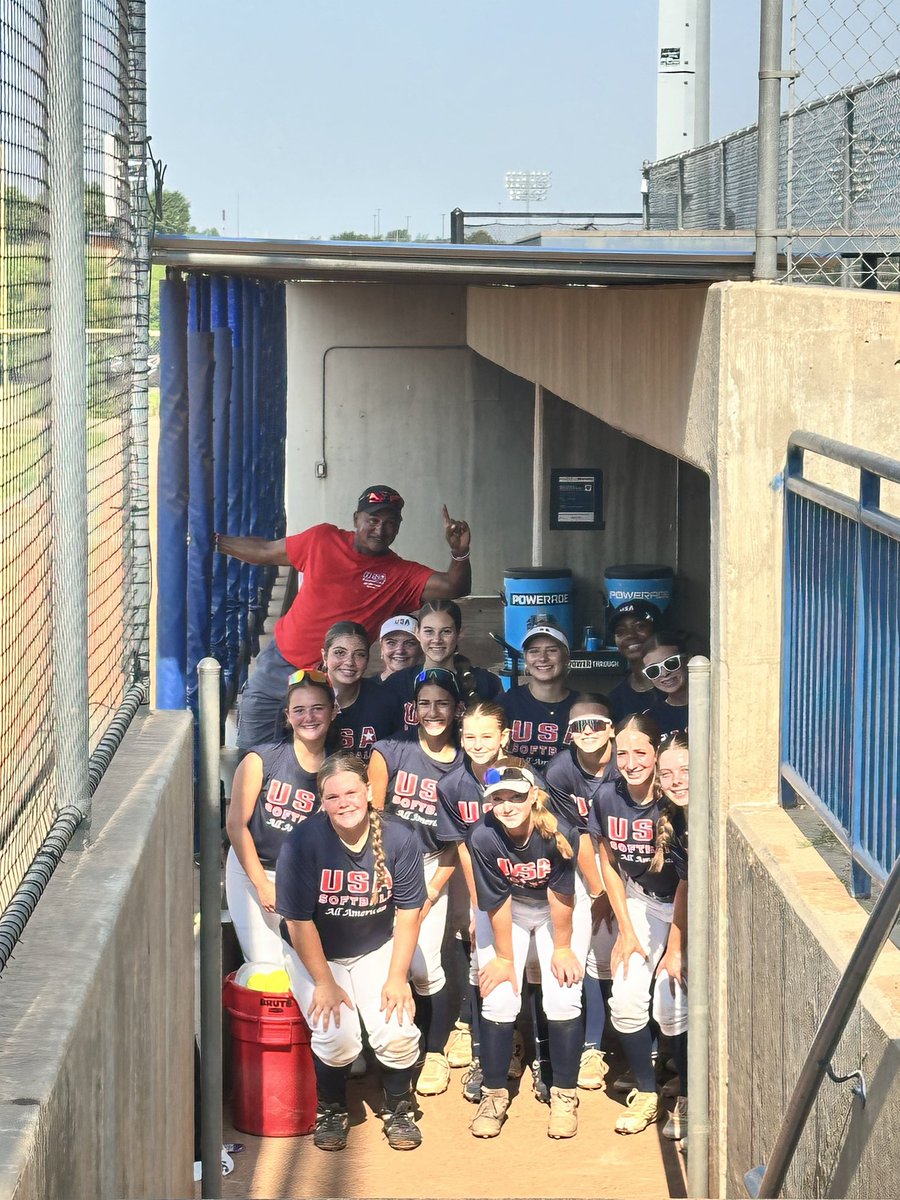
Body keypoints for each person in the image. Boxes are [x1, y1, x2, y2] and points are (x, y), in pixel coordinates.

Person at [216, 485, 472, 750]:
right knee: (253, 757)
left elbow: (455, 587)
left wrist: (460, 552)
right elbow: (266, 552)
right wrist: (215, 541)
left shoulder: (400, 574)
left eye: (390, 523)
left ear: (397, 528)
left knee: (320, 765)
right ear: (355, 519)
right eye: (373, 520)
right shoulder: (322, 539)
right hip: (279, 667)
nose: (380, 529)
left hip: (336, 683)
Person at [276, 752, 427, 1153]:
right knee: (337, 1034)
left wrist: (397, 978)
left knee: (395, 1028)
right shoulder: (303, 842)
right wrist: (323, 982)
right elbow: (298, 922)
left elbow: (410, 913)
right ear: (320, 801)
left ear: (370, 791)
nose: (343, 802)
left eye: (351, 792)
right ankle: (331, 1108)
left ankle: (399, 1107)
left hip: (373, 946)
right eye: (332, 796)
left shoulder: (400, 837)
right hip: (316, 953)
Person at [467, 767, 584, 1140]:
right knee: (499, 998)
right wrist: (504, 958)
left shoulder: (559, 832)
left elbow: (562, 895)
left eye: (516, 796)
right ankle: (494, 1095)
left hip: (557, 912)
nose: (507, 806)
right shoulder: (482, 835)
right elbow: (496, 901)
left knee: (562, 997)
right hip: (509, 910)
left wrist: (562, 948)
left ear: (533, 796)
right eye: (498, 799)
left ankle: (565, 1095)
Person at [436, 699, 543, 1100]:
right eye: (469, 736)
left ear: (504, 737)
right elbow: (464, 847)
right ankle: (487, 1061)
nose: (477, 743)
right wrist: (480, 902)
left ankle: (537, 1059)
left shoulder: (525, 777)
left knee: (534, 971)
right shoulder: (452, 785)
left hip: (532, 888)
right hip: (488, 888)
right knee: (487, 970)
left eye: (486, 736)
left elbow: (545, 832)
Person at [588, 714, 687, 1136]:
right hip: (641, 902)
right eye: (623, 752)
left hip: (683, 910)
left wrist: (675, 949)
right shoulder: (607, 796)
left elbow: (686, 882)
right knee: (626, 993)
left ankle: (686, 1098)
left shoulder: (677, 804)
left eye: (641, 752)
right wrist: (626, 929)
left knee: (670, 998)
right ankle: (648, 1092)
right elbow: (608, 862)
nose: (630, 762)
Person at [368, 668, 465, 1098]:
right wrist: (373, 869)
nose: (433, 712)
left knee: (424, 964)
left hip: (429, 867)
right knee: (379, 959)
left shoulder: (465, 762)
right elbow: (371, 815)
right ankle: (385, 1050)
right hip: (381, 863)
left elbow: (454, 843)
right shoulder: (389, 749)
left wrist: (430, 892)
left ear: (457, 709)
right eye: (424, 703)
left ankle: (436, 1050)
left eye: (442, 703)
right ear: (413, 708)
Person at [224, 669, 335, 963]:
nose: (308, 717)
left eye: (317, 708)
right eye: (299, 710)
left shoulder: (340, 766)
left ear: (333, 711)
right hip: (254, 869)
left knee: (306, 965)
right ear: (287, 716)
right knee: (266, 965)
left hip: (306, 878)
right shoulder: (262, 758)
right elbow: (236, 826)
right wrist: (262, 885)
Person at [545, 695, 619, 1094]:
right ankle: (592, 1045)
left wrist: (615, 887)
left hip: (631, 863)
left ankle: (651, 1050)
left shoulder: (629, 762)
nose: (587, 733)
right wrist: (598, 889)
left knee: (622, 953)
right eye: (578, 727)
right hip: (584, 864)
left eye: (595, 724)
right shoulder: (560, 770)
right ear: (568, 734)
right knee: (587, 951)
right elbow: (577, 835)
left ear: (611, 729)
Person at [385, 600, 502, 726]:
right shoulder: (397, 682)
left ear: (460, 633)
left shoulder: (486, 682)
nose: (436, 640)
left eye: (446, 631)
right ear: (417, 633)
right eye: (429, 631)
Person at [654, 730, 689, 1144]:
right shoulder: (676, 818)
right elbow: (684, 884)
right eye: (668, 773)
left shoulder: (715, 807)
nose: (677, 779)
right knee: (670, 991)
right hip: (694, 924)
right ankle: (685, 1089)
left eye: (685, 769)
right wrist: (675, 947)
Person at [502, 617, 579, 771]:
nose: (542, 658)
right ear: (525, 659)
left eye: (552, 650)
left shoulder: (581, 706)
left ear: (566, 657)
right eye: (534, 651)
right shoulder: (507, 703)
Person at [322, 622, 404, 759]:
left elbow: (398, 756)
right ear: (324, 656)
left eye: (359, 655)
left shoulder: (386, 701)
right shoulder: (306, 698)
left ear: (368, 659)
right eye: (340, 653)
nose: (349, 662)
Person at [606, 601, 661, 722]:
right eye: (620, 631)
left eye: (640, 626)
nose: (630, 635)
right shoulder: (616, 698)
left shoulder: (676, 683)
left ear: (657, 630)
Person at [642, 631, 691, 735]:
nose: (664, 673)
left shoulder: (717, 705)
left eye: (671, 663)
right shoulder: (650, 718)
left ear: (688, 660)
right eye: (653, 670)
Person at [375, 614, 422, 681]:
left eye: (409, 643)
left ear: (421, 649)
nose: (400, 651)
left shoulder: (431, 687)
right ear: (382, 648)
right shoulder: (364, 688)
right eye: (391, 643)